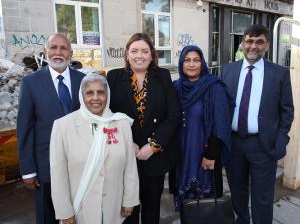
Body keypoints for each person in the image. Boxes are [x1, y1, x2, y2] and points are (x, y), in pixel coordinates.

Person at [220, 24, 294, 224]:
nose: (253, 46)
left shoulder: (279, 73)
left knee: (262, 199)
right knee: (237, 193)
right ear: (242, 44)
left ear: (267, 46)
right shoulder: (227, 70)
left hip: (263, 146)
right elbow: (220, 108)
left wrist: (280, 142)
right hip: (234, 145)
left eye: (259, 42)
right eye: (249, 41)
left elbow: (287, 112)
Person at [107, 33, 180, 224]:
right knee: (127, 211)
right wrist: (125, 142)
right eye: (134, 51)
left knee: (151, 211)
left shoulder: (163, 76)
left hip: (154, 157)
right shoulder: (113, 77)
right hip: (123, 156)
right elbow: (106, 115)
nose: (139, 55)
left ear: (152, 54)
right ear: (127, 54)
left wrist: (154, 145)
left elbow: (173, 115)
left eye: (145, 51)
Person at [50, 74, 139, 224]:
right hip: (81, 209)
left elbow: (130, 166)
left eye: (101, 92)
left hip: (114, 208)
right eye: (89, 93)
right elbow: (58, 174)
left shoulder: (121, 123)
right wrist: (64, 211)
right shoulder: (63, 126)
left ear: (107, 95)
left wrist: (129, 199)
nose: (96, 98)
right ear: (81, 95)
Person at [17, 33, 85, 224]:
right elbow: (25, 128)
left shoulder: (83, 81)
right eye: (53, 47)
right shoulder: (31, 83)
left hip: (79, 165)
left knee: (78, 215)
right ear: (45, 52)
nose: (58, 52)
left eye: (63, 48)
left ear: (70, 53)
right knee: (48, 217)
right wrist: (28, 169)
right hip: (45, 167)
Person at [173, 45, 232, 219]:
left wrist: (212, 154)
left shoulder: (214, 87)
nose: (191, 64)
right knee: (186, 205)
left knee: (206, 207)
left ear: (202, 63)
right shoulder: (175, 87)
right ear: (181, 63)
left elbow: (221, 122)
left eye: (196, 60)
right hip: (181, 155)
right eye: (187, 60)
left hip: (204, 154)